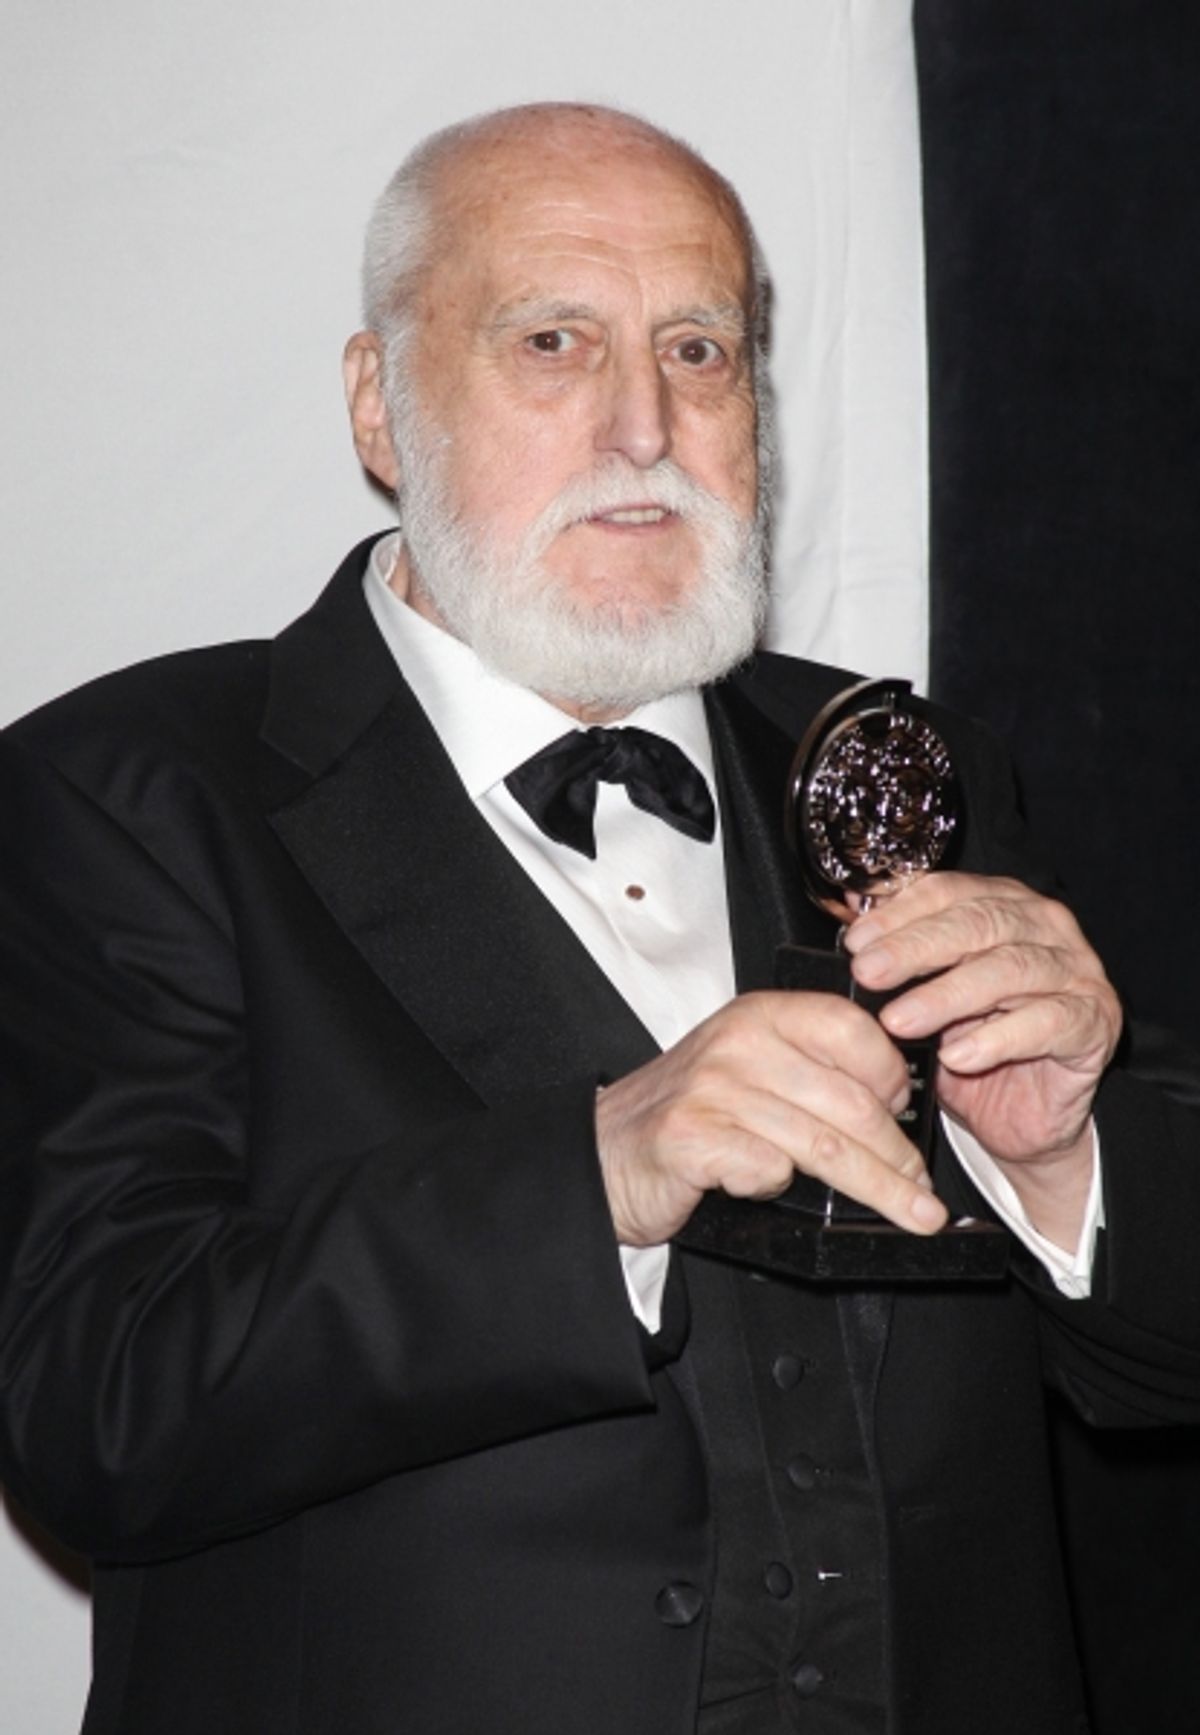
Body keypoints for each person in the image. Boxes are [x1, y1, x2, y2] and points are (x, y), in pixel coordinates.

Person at [0, 102, 1197, 1735]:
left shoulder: (911, 768)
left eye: (699, 351)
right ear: (380, 404)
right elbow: (95, 1407)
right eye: (553, 343)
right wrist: (594, 1175)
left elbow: (1163, 1364)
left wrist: (1064, 1164)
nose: (645, 426)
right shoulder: (121, 794)